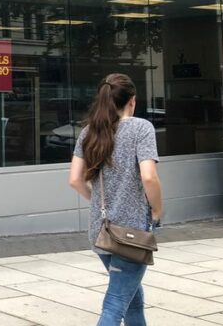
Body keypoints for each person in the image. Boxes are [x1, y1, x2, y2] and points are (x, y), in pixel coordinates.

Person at [68, 73, 163, 326]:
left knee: (131, 295)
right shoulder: (141, 128)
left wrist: (97, 201)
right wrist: (157, 210)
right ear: (132, 100)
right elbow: (149, 177)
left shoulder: (89, 132)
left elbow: (74, 179)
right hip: (131, 233)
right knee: (115, 302)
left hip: (101, 230)